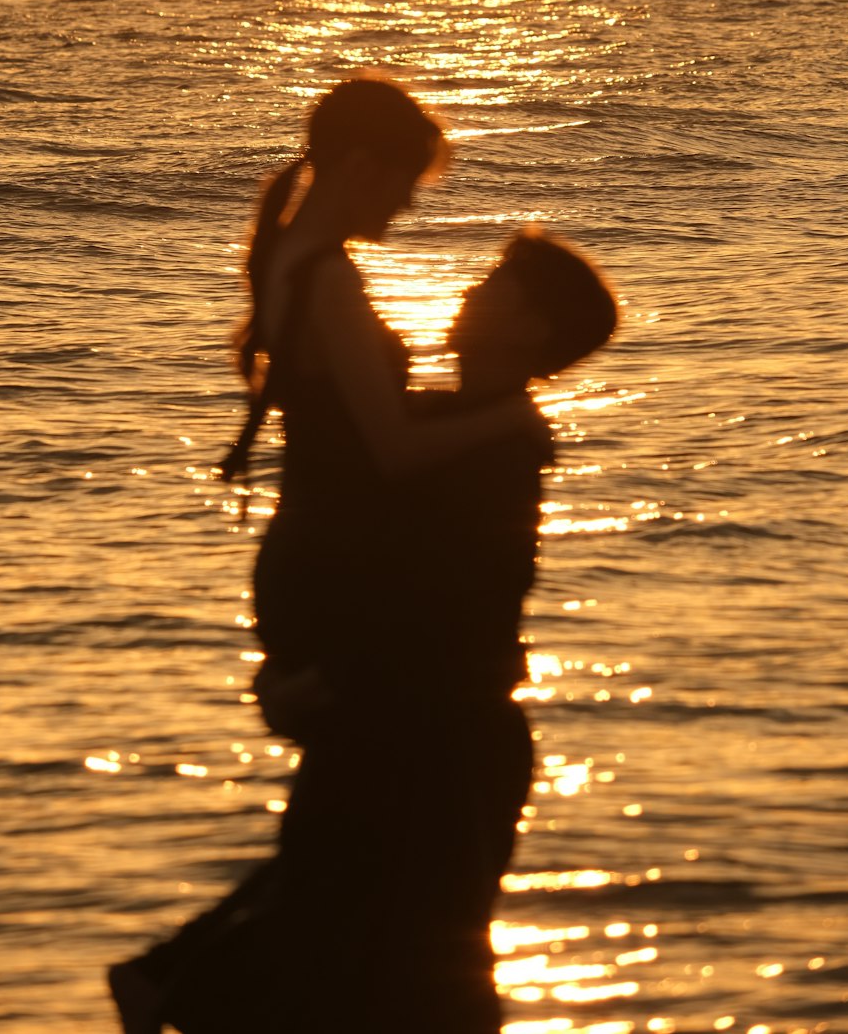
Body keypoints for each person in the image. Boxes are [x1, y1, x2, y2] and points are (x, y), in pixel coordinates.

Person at [108, 78, 553, 1033]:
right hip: (333, 568)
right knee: (364, 810)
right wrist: (508, 418)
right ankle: (186, 981)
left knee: (353, 813)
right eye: (406, 181)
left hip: (312, 553)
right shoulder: (331, 278)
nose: (410, 204)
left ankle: (191, 980)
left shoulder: (288, 256)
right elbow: (389, 448)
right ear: (360, 166)